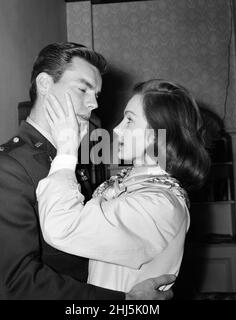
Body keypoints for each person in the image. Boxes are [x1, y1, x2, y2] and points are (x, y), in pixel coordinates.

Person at [0, 42, 175, 300]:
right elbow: (19, 284)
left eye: (96, 95)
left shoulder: (67, 155)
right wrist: (124, 301)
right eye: (83, 89)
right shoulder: (5, 168)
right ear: (45, 84)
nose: (93, 104)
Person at [36, 80, 211, 292]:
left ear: (157, 134)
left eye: (129, 120)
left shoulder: (159, 205)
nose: (117, 129)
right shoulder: (131, 183)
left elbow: (63, 228)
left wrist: (66, 153)